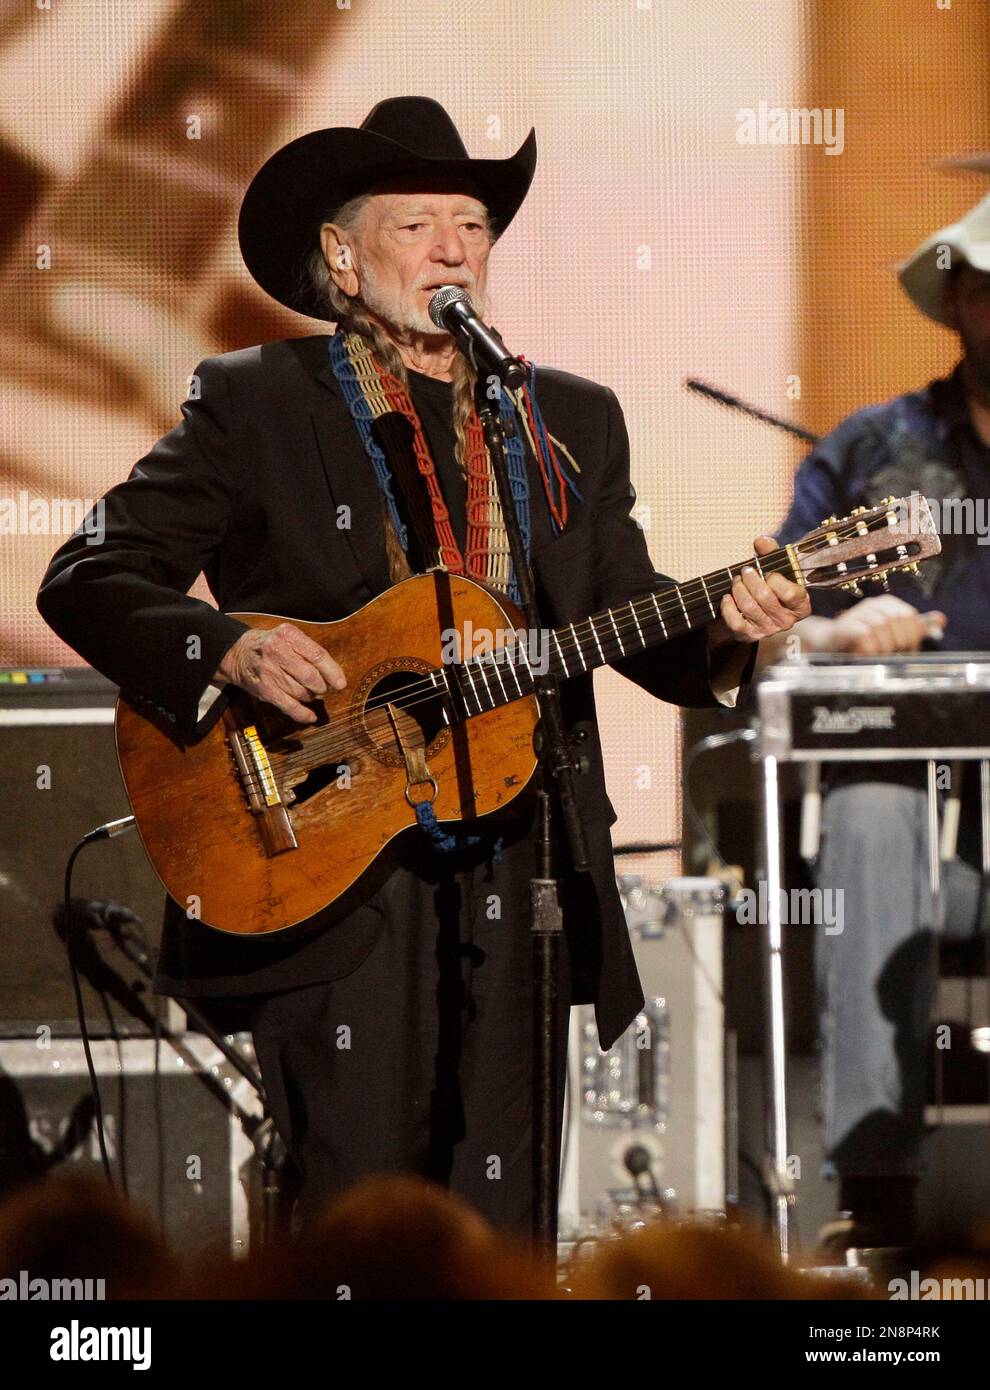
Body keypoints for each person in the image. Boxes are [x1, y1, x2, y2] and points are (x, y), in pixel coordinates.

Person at [37, 96, 807, 1233]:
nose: (455, 248)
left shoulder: (567, 421)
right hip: (331, 849)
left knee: (500, 1229)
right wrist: (231, 647)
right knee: (361, 1211)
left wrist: (736, 623)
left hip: (526, 855)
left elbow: (623, 609)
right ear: (341, 259)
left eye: (474, 225)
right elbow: (87, 575)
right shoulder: (253, 402)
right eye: (417, 224)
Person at [760, 191, 990, 1249]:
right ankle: (878, 1192)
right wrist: (839, 638)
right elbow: (770, 622)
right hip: (918, 837)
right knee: (868, 808)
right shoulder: (870, 449)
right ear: (958, 298)